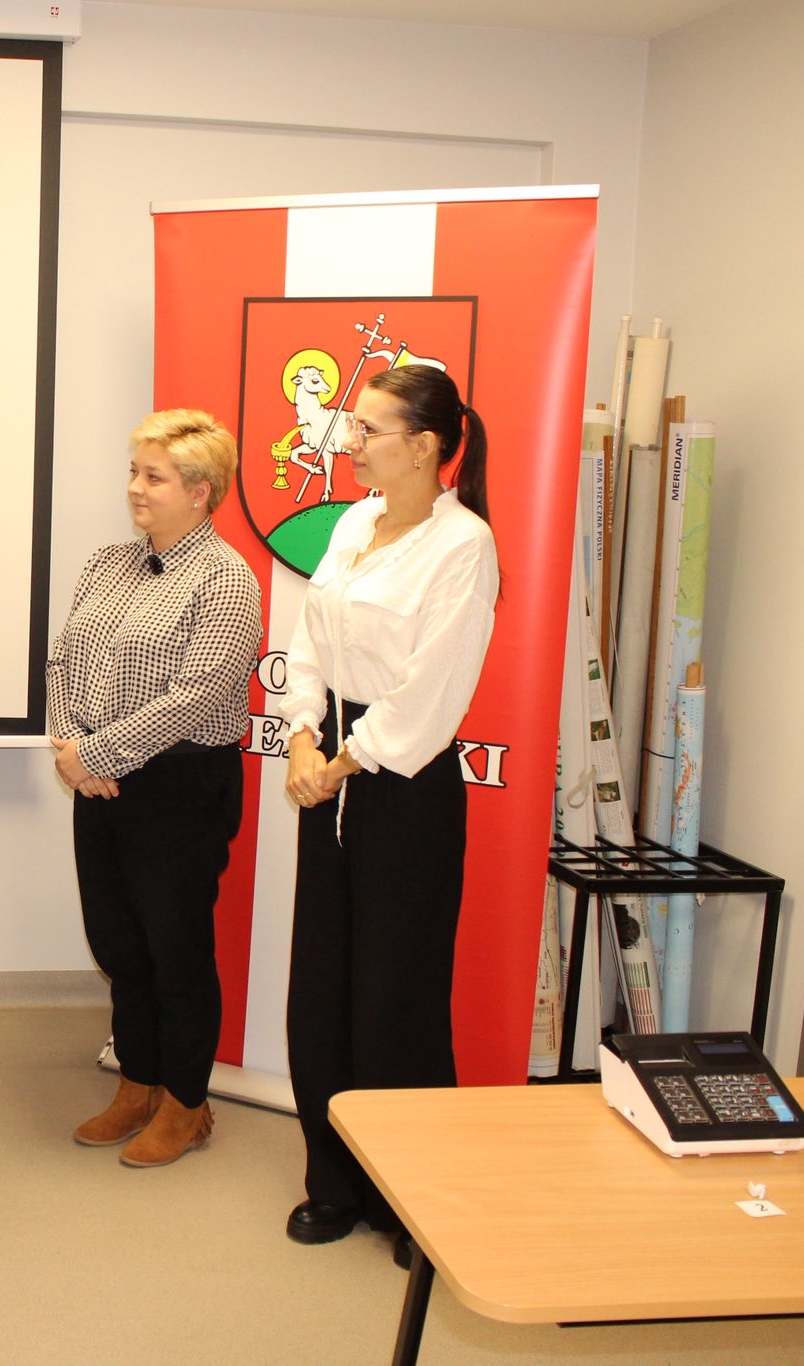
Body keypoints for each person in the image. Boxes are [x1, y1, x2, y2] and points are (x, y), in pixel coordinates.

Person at [278, 365, 499, 1261]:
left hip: (401, 784)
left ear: (424, 446)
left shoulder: (464, 545)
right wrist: (301, 735)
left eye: (369, 429)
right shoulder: (354, 523)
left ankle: (410, 1198)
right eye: (354, 425)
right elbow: (308, 640)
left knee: (395, 995)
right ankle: (333, 1182)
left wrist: (341, 762)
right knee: (322, 987)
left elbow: (430, 692)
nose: (352, 441)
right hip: (326, 766)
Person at [47, 409, 261, 1168]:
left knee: (176, 951)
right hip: (97, 777)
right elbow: (62, 660)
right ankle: (137, 1083)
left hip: (179, 786)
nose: (135, 487)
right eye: (134, 472)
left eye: (154, 477)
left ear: (200, 491)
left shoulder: (226, 579)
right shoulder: (107, 563)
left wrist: (99, 753)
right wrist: (72, 748)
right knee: (119, 944)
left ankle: (186, 1104)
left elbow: (198, 695)